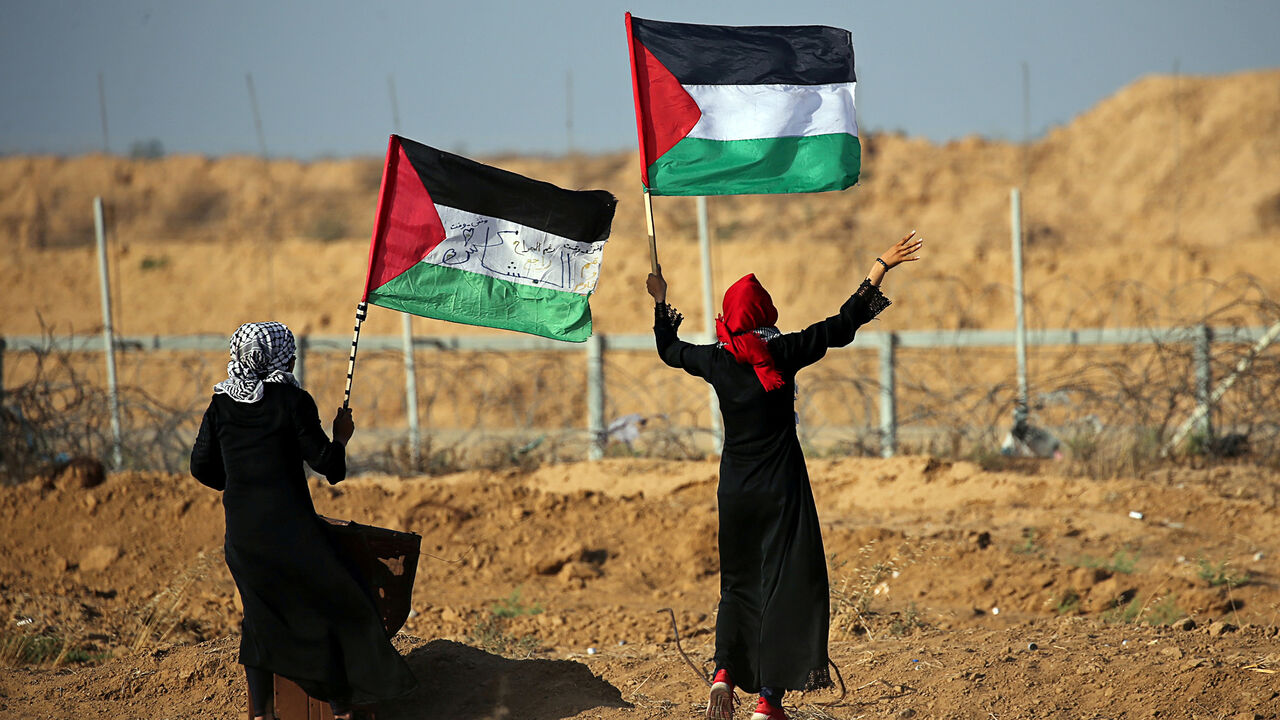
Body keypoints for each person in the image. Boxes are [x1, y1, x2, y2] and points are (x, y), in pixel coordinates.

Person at [646, 231, 924, 720]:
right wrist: (880, 265)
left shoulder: (716, 359)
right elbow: (841, 325)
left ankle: (723, 674)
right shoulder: (784, 353)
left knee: (736, 584)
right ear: (766, 314)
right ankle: (767, 701)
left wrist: (661, 298)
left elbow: (670, 350)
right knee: (786, 583)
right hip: (783, 488)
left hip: (734, 489)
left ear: (730, 317)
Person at [190, 321, 416, 720]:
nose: (292, 358)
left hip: (243, 537)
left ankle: (261, 714)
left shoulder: (221, 404)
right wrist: (341, 436)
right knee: (341, 607)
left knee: (260, 619)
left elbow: (201, 467)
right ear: (277, 357)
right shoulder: (292, 401)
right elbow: (329, 467)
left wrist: (240, 481)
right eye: (288, 352)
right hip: (291, 532)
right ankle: (344, 706)